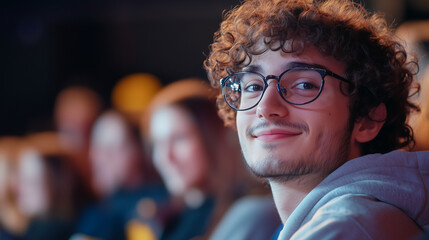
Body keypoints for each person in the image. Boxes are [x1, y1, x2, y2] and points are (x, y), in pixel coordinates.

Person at [204, 0, 429, 239]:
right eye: (252, 86)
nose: (265, 107)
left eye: (304, 85)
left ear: (367, 119)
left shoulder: (346, 226)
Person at [142, 78, 269, 240]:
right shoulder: (166, 219)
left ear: (214, 137)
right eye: (157, 144)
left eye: (179, 138)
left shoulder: (253, 213)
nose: (165, 157)